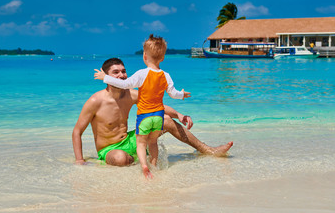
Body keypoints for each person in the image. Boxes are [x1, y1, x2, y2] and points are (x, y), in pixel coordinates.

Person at [72, 58, 233, 173]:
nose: (122, 75)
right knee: (121, 159)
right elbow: (77, 131)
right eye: (116, 72)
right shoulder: (95, 101)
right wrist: (80, 160)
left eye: (124, 71)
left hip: (130, 139)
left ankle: (208, 150)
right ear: (106, 77)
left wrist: (179, 115)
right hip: (110, 149)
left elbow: (158, 106)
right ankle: (140, 158)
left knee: (166, 120)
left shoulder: (130, 94)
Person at [94, 35, 190, 178]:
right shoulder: (166, 76)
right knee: (153, 143)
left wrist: (105, 78)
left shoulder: (142, 74)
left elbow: (124, 84)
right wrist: (182, 95)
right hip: (158, 117)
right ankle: (155, 164)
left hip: (145, 117)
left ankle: (145, 166)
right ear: (163, 58)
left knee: (141, 144)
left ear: (144, 56)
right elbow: (173, 94)